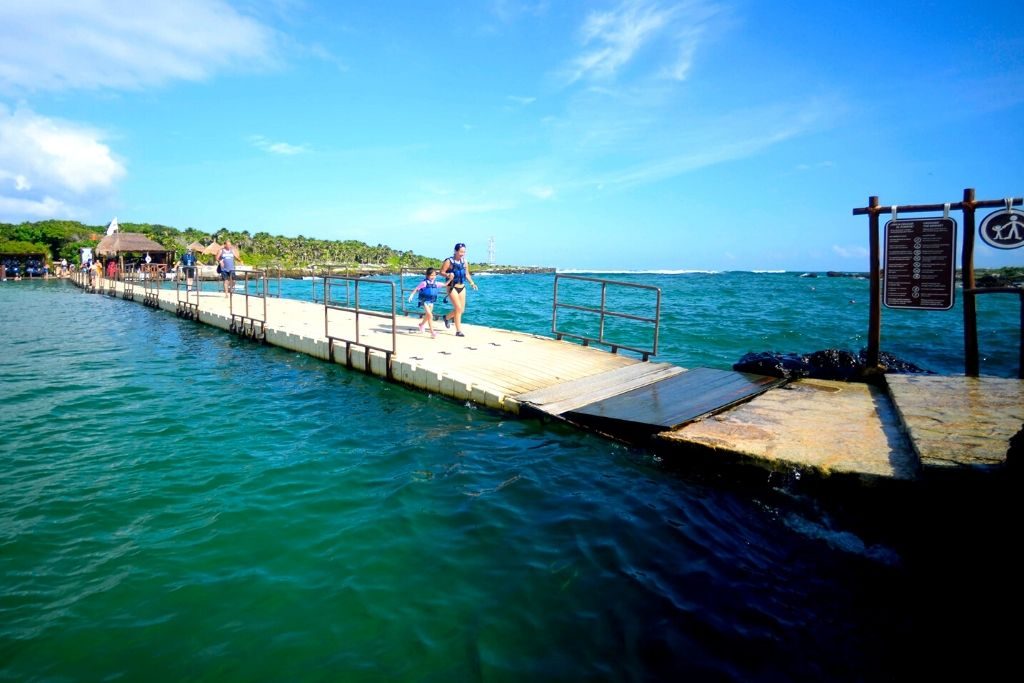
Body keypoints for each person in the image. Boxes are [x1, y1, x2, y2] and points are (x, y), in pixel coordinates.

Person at [440, 242, 477, 337]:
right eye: (461, 252)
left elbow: (467, 274)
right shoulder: (449, 261)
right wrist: (448, 274)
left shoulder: (464, 262)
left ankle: (446, 317)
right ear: (455, 251)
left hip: (462, 287)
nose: (462, 254)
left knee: (462, 310)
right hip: (452, 287)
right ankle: (458, 331)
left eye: (464, 252)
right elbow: (441, 272)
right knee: (458, 308)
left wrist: (472, 283)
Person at [407, 267, 441, 338]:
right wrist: (411, 295)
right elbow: (417, 288)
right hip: (424, 300)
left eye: (434, 275)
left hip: (431, 301)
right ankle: (432, 332)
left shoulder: (436, 283)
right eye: (431, 275)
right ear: (427, 275)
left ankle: (421, 324)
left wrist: (450, 279)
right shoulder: (424, 283)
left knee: (427, 315)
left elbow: (445, 284)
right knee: (430, 315)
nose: (433, 277)